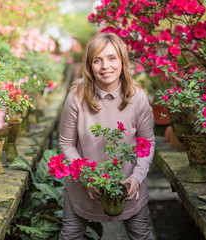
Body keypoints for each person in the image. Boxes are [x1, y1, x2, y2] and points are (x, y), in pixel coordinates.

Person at [59, 32, 155, 240]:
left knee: (141, 235)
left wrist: (137, 177)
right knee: (70, 235)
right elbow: (66, 143)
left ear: (122, 60)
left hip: (129, 185)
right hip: (84, 186)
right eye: (97, 60)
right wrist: (87, 178)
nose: (105, 66)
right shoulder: (76, 97)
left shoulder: (137, 97)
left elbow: (147, 143)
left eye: (112, 58)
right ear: (89, 65)